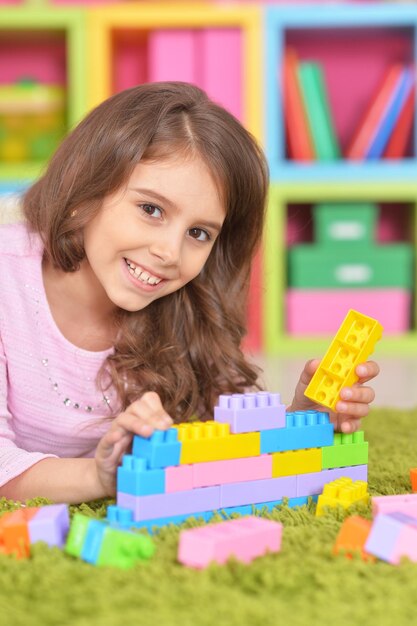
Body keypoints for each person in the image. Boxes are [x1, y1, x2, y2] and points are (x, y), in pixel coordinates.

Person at [0, 82, 379, 504]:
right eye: (151, 209)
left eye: (198, 233)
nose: (168, 252)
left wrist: (301, 421)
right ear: (82, 191)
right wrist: (104, 477)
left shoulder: (185, 303)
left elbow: (222, 441)